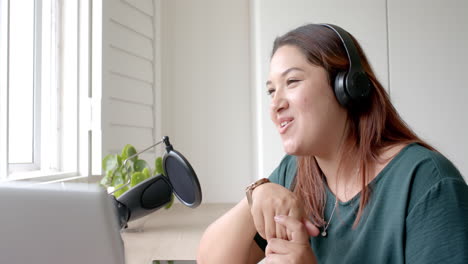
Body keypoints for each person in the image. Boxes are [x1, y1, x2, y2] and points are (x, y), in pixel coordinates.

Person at [197, 23, 468, 263]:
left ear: (347, 87)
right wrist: (256, 194)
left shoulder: (427, 183)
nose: (275, 105)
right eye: (271, 90)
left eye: (292, 81)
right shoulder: (294, 171)